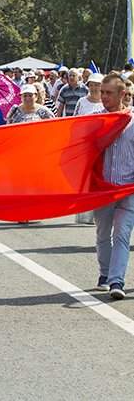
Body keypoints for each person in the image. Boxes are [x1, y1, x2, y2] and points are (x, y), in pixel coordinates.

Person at [93, 74, 134, 299]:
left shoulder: (133, 121)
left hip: (128, 189)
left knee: (121, 234)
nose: (105, 97)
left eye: (109, 93)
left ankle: (117, 281)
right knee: (102, 233)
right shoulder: (94, 120)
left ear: (122, 95)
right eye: (102, 92)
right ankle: (105, 273)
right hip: (102, 189)